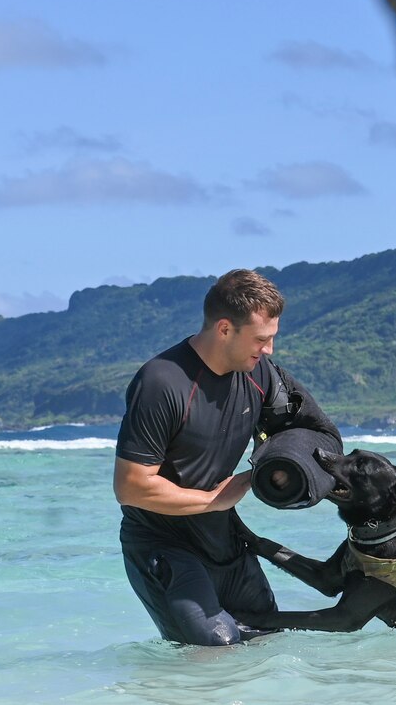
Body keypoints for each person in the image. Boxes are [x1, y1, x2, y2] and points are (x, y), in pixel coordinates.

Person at [111, 268, 341, 646]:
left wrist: (271, 471)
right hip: (163, 546)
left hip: (225, 540)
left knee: (269, 642)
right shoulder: (162, 382)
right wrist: (214, 499)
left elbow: (320, 435)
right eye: (261, 339)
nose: (269, 350)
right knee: (214, 652)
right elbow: (132, 487)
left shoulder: (260, 374)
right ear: (224, 329)